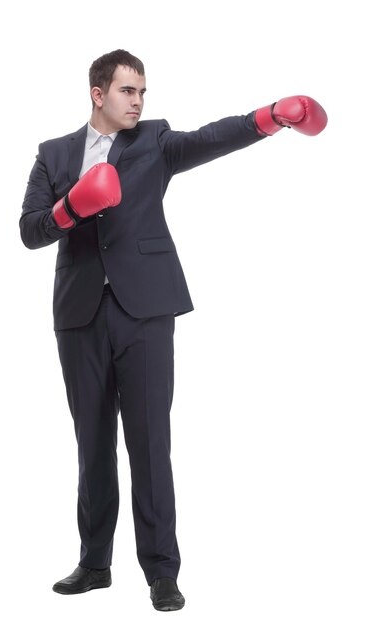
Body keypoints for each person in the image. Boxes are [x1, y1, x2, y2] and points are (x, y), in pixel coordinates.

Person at [20, 49, 327, 611]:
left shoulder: (155, 141)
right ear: (98, 94)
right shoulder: (54, 154)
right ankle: (93, 564)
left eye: (143, 92)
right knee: (91, 444)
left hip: (145, 309)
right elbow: (31, 230)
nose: (138, 101)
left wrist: (270, 117)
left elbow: (211, 137)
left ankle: (162, 570)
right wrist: (72, 206)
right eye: (128, 91)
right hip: (80, 313)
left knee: (149, 443)